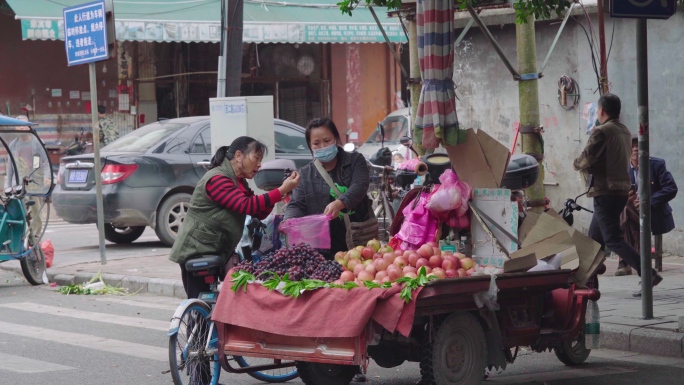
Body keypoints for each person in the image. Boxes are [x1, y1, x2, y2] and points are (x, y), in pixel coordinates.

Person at [169, 136, 300, 299]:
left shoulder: (239, 182)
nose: (259, 165)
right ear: (239, 156)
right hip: (196, 250)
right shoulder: (217, 179)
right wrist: (279, 191)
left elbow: (259, 212)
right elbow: (246, 205)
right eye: (256, 158)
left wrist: (278, 194)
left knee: (218, 303)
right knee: (199, 306)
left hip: (217, 249)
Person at [573, 93, 663, 296]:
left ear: (602, 111)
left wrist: (576, 164)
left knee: (613, 240)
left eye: (598, 110)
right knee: (594, 241)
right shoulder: (624, 130)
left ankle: (648, 273)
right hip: (620, 191)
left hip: (606, 192)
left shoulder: (601, 132)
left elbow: (586, 159)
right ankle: (590, 284)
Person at [284, 118, 372, 261]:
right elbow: (297, 204)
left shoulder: (355, 160)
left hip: (357, 240)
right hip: (322, 249)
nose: (322, 146)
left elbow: (360, 185)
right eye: (316, 143)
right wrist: (290, 220)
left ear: (336, 139)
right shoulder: (305, 174)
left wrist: (340, 203)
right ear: (310, 146)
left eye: (327, 140)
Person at [616, 135, 678, 279]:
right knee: (624, 210)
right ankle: (640, 265)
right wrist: (628, 197)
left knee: (622, 217)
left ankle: (627, 261)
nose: (636, 148)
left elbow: (671, 188)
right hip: (632, 213)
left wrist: (648, 201)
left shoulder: (657, 164)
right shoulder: (623, 168)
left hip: (653, 213)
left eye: (639, 146)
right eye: (632, 146)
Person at [4, 115, 52, 241]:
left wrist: (47, 177)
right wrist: (7, 186)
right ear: (15, 127)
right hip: (18, 185)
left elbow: (45, 162)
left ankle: (35, 237)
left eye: (24, 125)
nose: (21, 127)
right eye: (19, 125)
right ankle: (24, 236)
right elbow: (10, 169)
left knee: (36, 211)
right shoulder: (13, 145)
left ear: (29, 126)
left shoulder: (36, 143)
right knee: (21, 211)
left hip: (35, 183)